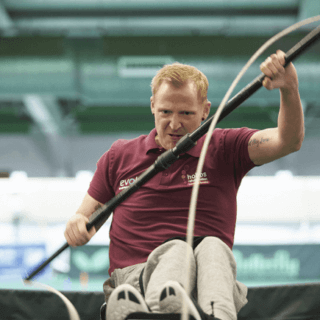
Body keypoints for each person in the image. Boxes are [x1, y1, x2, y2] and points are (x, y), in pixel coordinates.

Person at [64, 49, 304, 320]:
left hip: (207, 285)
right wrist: (76, 226)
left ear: (205, 110)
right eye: (165, 111)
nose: (174, 124)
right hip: (134, 286)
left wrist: (289, 88)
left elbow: (288, 140)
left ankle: (218, 314)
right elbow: (84, 218)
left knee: (213, 248)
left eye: (186, 113)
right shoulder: (119, 157)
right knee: (176, 250)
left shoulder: (225, 147)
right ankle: (160, 312)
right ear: (152, 104)